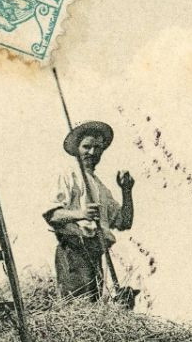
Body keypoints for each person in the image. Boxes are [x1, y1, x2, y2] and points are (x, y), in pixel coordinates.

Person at [45, 119, 134, 300]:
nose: (92, 152)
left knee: (93, 309)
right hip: (74, 251)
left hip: (95, 254)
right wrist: (81, 214)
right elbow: (52, 215)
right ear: (77, 148)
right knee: (78, 308)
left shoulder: (101, 188)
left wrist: (126, 191)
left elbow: (124, 222)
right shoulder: (68, 175)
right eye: (86, 147)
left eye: (98, 148)